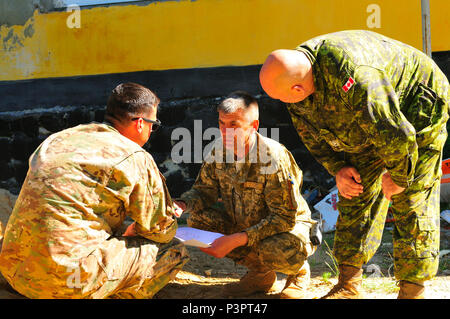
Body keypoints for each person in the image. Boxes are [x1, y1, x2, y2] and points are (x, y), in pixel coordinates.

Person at [259, 30, 449, 299]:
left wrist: (401, 176)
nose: (282, 104)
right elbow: (310, 132)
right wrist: (337, 167)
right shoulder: (296, 76)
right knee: (355, 188)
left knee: (411, 197)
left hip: (418, 103)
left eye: (282, 98)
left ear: (298, 89)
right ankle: (348, 285)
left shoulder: (356, 76)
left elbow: (396, 134)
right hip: (373, 118)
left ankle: (413, 290)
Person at [0, 82, 189, 299]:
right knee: (173, 250)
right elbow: (160, 230)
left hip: (15, 270)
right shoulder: (134, 156)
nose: (152, 131)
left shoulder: (59, 138)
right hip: (64, 284)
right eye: (153, 125)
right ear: (139, 123)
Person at [175, 91, 317, 299]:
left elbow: (283, 218)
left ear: (254, 125)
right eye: (222, 123)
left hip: (288, 230)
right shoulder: (218, 150)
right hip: (246, 224)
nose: (225, 131)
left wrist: (238, 239)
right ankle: (261, 275)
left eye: (234, 124)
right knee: (198, 220)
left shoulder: (272, 157)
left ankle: (298, 272)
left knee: (274, 248)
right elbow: (204, 191)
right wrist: (182, 204)